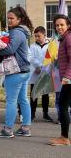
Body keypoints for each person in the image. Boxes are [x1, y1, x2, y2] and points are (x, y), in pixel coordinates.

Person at [0, 6, 33, 138]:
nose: (9, 21)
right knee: (23, 99)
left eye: (12, 18)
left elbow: (10, 49)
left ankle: (8, 129)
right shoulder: (22, 32)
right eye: (8, 18)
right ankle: (25, 128)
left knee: (11, 101)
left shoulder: (16, 32)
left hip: (16, 71)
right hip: (24, 71)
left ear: (19, 19)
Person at [49, 14, 71, 146]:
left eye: (62, 24)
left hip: (69, 79)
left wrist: (67, 77)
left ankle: (64, 138)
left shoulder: (68, 39)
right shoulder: (64, 39)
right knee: (63, 106)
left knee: (62, 106)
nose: (59, 27)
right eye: (57, 25)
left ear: (68, 25)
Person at [28, 26, 53, 122]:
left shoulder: (50, 46)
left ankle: (45, 113)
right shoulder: (33, 46)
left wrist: (45, 67)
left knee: (45, 94)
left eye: (39, 36)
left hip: (46, 73)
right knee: (33, 93)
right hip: (36, 72)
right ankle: (32, 113)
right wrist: (38, 66)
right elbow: (30, 57)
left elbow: (51, 58)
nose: (37, 38)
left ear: (44, 35)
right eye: (35, 36)